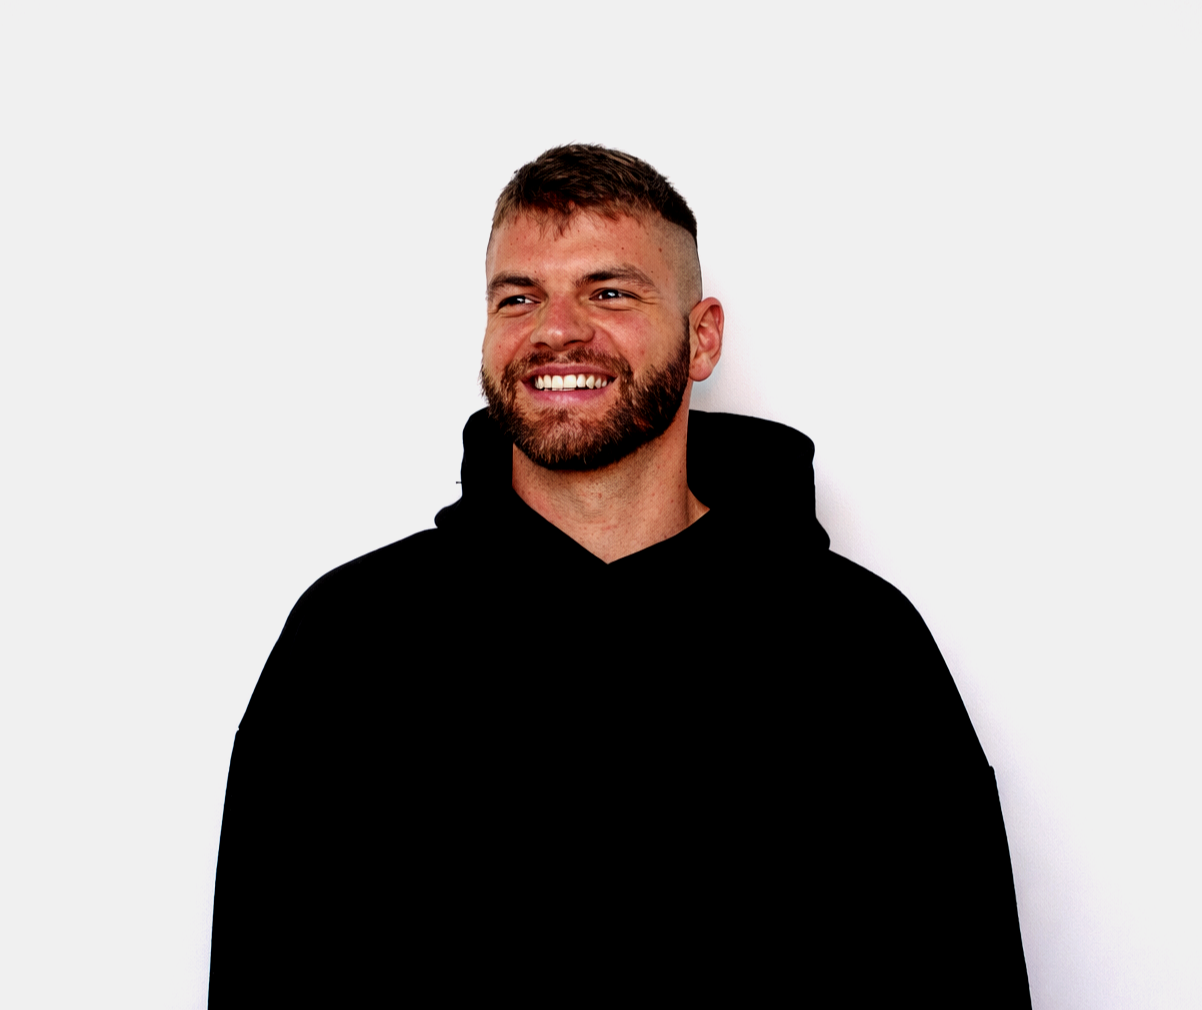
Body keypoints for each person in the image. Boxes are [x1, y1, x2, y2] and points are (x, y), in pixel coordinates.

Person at [209, 144, 1032, 1005]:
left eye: (609, 292)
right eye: (518, 297)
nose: (555, 329)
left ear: (702, 336)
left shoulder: (859, 645)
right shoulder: (351, 638)